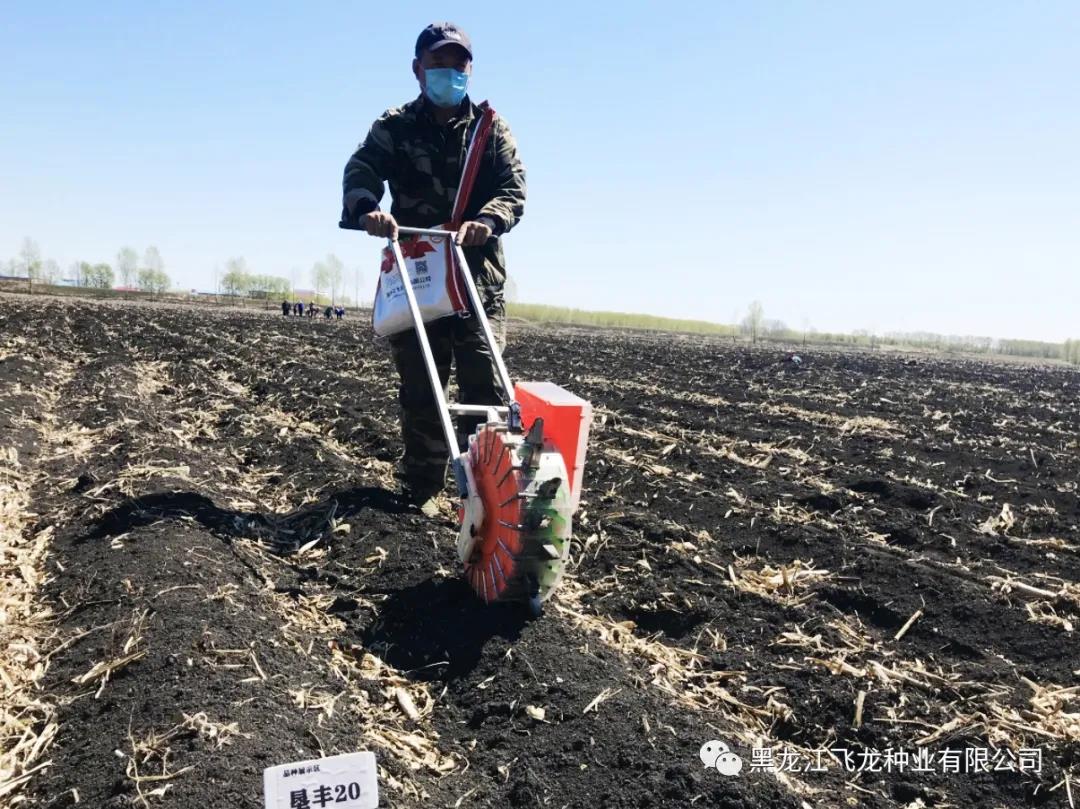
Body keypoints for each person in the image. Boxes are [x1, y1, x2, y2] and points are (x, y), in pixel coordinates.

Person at [340, 22, 526, 515]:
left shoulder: (490, 129)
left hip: (475, 281)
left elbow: (512, 188)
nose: (449, 73)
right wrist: (368, 210)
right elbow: (361, 170)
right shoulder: (395, 126)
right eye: (438, 64)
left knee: (487, 390)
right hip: (419, 276)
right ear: (418, 69)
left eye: (458, 65)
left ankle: (485, 501)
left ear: (470, 69)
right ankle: (419, 494)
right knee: (422, 388)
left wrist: (489, 220)